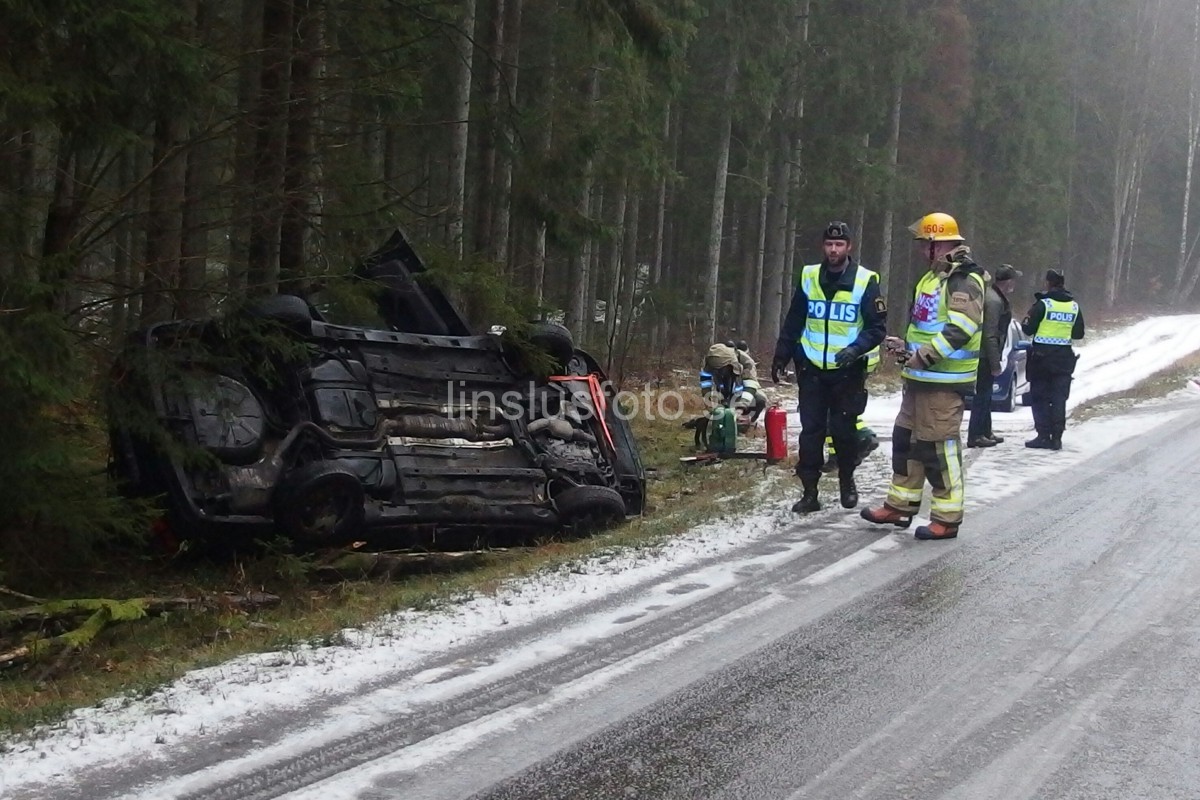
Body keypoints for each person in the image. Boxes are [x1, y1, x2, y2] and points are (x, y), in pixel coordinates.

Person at [860, 211, 985, 540]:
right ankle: (900, 505)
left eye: (924, 244)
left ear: (939, 244)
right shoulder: (932, 278)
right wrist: (906, 347)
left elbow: (962, 328)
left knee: (939, 449)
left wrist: (925, 356)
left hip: (944, 384)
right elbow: (927, 325)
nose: (919, 250)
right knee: (906, 441)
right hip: (920, 380)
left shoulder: (963, 279)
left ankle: (947, 517)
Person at [771, 221, 887, 514]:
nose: (833, 250)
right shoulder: (810, 276)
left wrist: (854, 349)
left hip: (847, 370)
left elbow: (877, 329)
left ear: (849, 247)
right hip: (811, 367)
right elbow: (794, 319)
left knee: (843, 431)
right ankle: (809, 492)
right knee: (811, 432)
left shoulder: (865, 280)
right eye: (829, 244)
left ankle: (847, 480)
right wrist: (781, 356)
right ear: (823, 246)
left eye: (839, 245)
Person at [1022, 268, 1085, 450]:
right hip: (1064, 359)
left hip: (1041, 359)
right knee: (1059, 398)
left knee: (1040, 397)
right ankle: (1057, 437)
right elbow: (1079, 333)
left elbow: (1028, 329)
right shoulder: (1074, 306)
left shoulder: (1043, 305)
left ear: (1048, 284)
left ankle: (1043, 435)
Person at [967, 264, 1021, 448]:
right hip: (984, 355)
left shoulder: (996, 296)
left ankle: (985, 430)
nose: (1015, 284)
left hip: (986, 354)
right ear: (1008, 282)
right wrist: (995, 362)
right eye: (1013, 280)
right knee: (982, 395)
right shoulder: (994, 301)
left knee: (987, 394)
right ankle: (975, 435)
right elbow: (989, 334)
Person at [733, 340, 768, 424]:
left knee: (759, 399)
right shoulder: (747, 362)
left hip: (743, 392)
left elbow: (751, 385)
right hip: (735, 393)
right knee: (760, 399)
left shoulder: (747, 363)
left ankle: (746, 421)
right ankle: (749, 420)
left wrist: (741, 407)